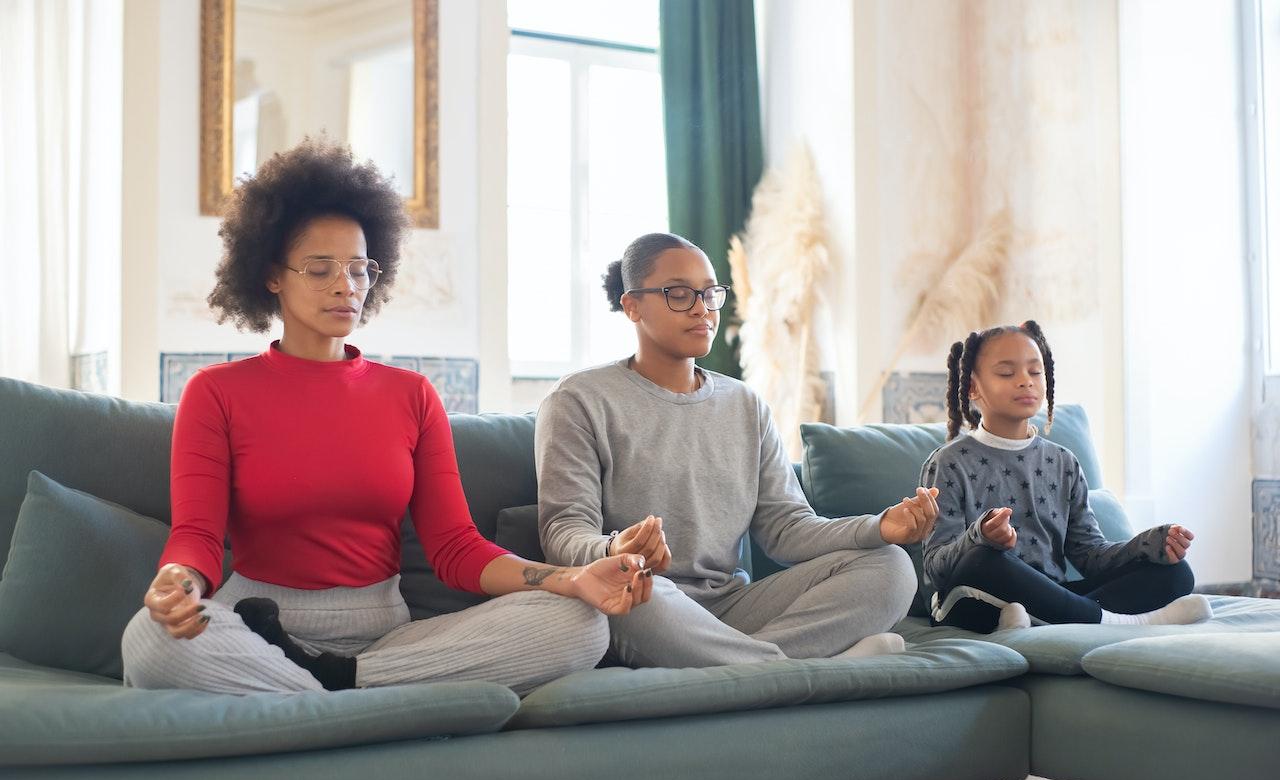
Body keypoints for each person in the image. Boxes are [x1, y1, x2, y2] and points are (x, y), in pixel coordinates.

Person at [121, 139, 651, 695]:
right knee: (149, 641)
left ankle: (333, 687)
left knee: (580, 625)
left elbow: (457, 550)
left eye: (358, 269)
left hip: (385, 637)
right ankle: (362, 702)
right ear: (271, 275)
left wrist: (572, 579)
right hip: (257, 626)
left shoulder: (412, 395)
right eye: (320, 268)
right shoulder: (216, 392)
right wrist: (175, 581)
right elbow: (197, 536)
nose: (345, 286)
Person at [535, 232, 934, 668]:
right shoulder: (578, 400)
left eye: (709, 293)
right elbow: (563, 532)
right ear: (632, 305)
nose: (702, 309)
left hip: (733, 606)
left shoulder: (746, 405)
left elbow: (787, 529)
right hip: (648, 601)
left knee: (891, 566)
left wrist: (880, 527)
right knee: (633, 588)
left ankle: (750, 665)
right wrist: (613, 549)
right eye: (680, 294)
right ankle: (807, 665)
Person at [920, 320, 1211, 632]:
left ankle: (1047, 618)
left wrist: (1144, 545)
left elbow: (1089, 556)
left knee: (1176, 572)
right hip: (972, 600)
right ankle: (1117, 622)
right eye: (1007, 372)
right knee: (983, 560)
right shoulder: (949, 463)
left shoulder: (1063, 462)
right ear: (973, 387)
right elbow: (937, 568)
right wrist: (981, 536)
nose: (1025, 381)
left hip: (1051, 596)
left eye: (1035, 371)